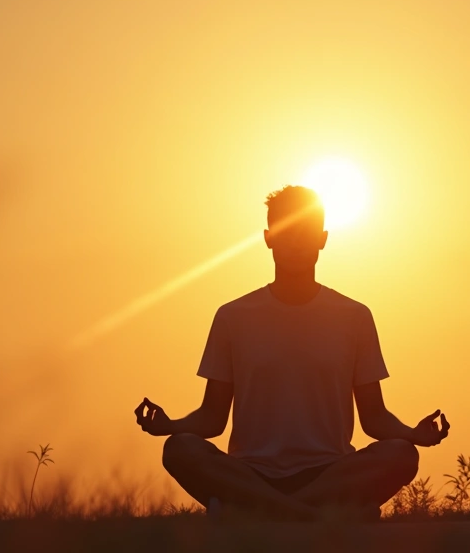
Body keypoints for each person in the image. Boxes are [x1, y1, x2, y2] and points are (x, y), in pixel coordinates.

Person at [134, 185, 450, 520]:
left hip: (330, 472)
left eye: (306, 233)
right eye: (287, 233)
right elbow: (212, 418)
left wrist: (414, 435)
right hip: (251, 473)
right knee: (181, 449)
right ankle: (314, 515)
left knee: (400, 454)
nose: (296, 243)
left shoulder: (354, 316)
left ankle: (258, 513)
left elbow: (374, 418)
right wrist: (169, 425)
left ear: (323, 238)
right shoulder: (232, 316)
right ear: (269, 238)